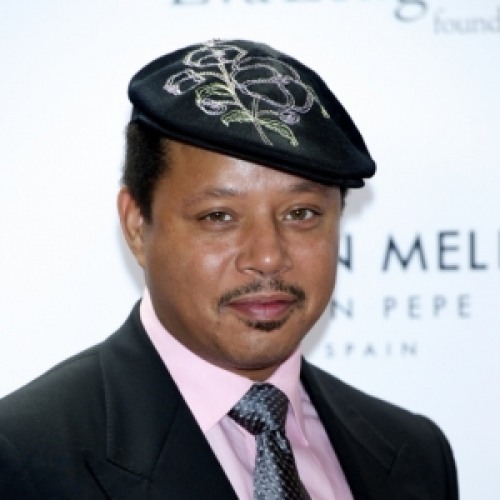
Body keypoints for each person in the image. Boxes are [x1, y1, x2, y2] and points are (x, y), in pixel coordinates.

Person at [0, 39, 458, 499]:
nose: (268, 256)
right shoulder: (26, 456)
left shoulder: (414, 454)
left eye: (301, 213)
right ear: (137, 225)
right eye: (219, 216)